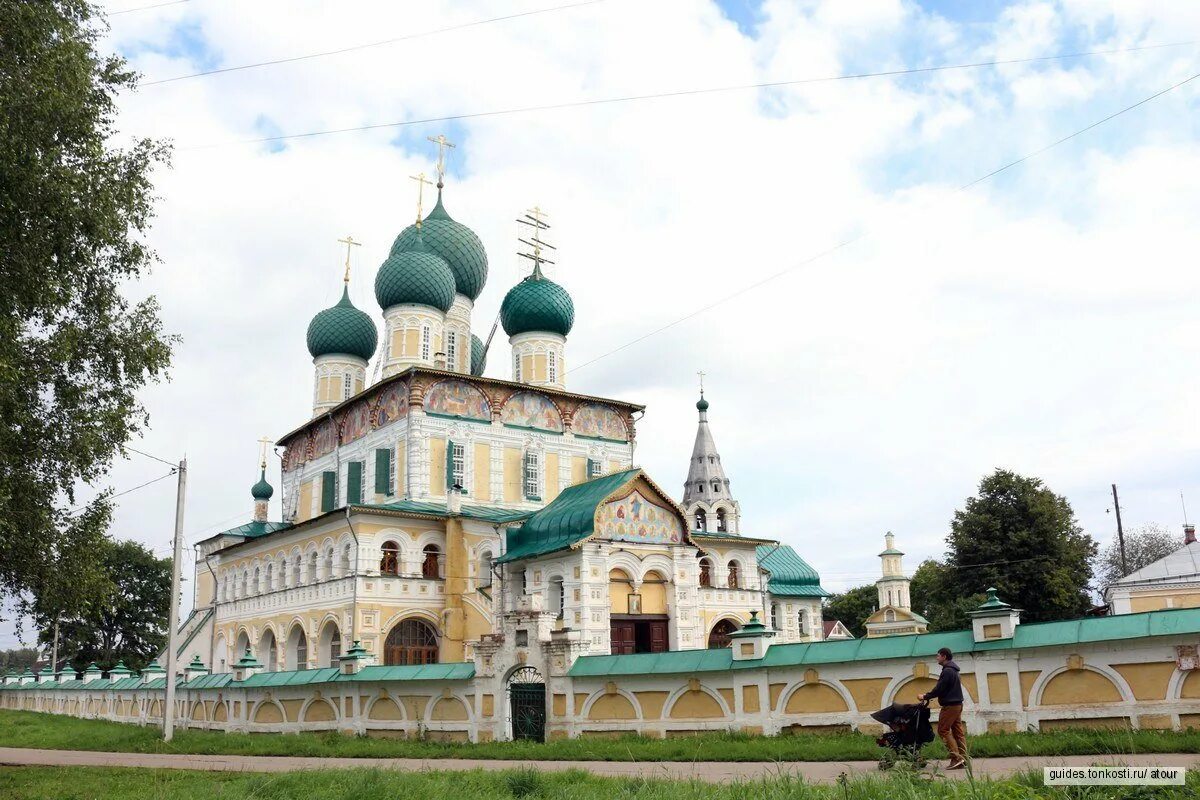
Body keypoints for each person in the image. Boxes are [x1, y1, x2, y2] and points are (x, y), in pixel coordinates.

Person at [918, 646, 967, 769]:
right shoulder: (954, 670)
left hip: (950, 706)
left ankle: (956, 758)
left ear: (944, 656)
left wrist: (925, 696)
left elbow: (940, 689)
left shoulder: (947, 671)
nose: (937, 658)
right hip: (957, 705)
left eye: (938, 655)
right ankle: (963, 758)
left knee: (943, 730)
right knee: (958, 732)